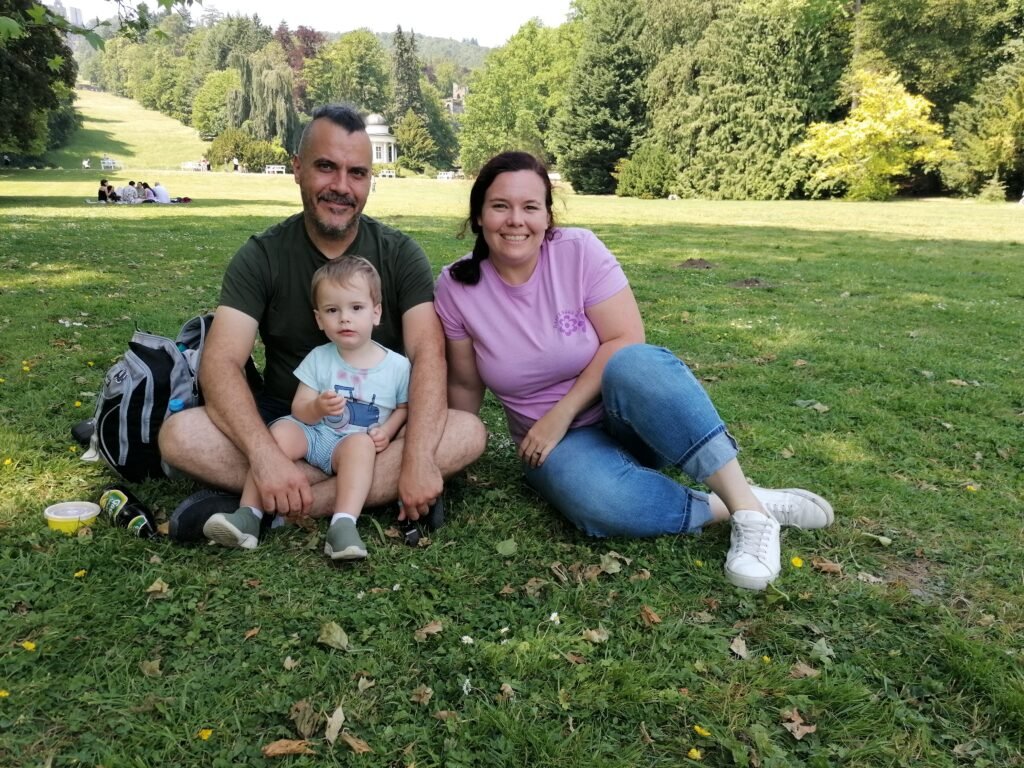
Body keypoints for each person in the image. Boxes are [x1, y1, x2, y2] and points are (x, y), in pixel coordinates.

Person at [434, 151, 834, 592]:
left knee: (635, 363)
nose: (516, 220)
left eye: (530, 207)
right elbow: (466, 383)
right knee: (598, 502)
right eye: (500, 206)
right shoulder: (456, 286)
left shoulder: (578, 251)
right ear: (478, 215)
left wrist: (561, 413)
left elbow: (626, 340)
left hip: (632, 420)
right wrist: (455, 454)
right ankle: (739, 504)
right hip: (555, 449)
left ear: (548, 216)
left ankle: (750, 514)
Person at [159, 103, 486, 544]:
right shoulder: (262, 255)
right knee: (180, 435)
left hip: (378, 431)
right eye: (326, 167)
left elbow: (428, 354)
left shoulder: (399, 253)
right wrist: (265, 455)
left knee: (467, 432)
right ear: (297, 169)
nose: (341, 186)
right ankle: (353, 492)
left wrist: (419, 456)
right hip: (291, 422)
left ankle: (271, 506)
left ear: (370, 179)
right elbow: (220, 363)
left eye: (357, 173)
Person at [204, 257, 410, 560]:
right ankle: (248, 516)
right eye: (332, 310)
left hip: (352, 443)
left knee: (361, 448)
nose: (344, 319)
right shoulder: (320, 357)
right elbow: (300, 409)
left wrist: (387, 431)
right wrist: (317, 407)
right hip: (315, 433)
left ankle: (343, 525)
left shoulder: (397, 365)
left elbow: (404, 408)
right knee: (278, 432)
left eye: (356, 308)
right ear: (318, 319)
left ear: (376, 312)